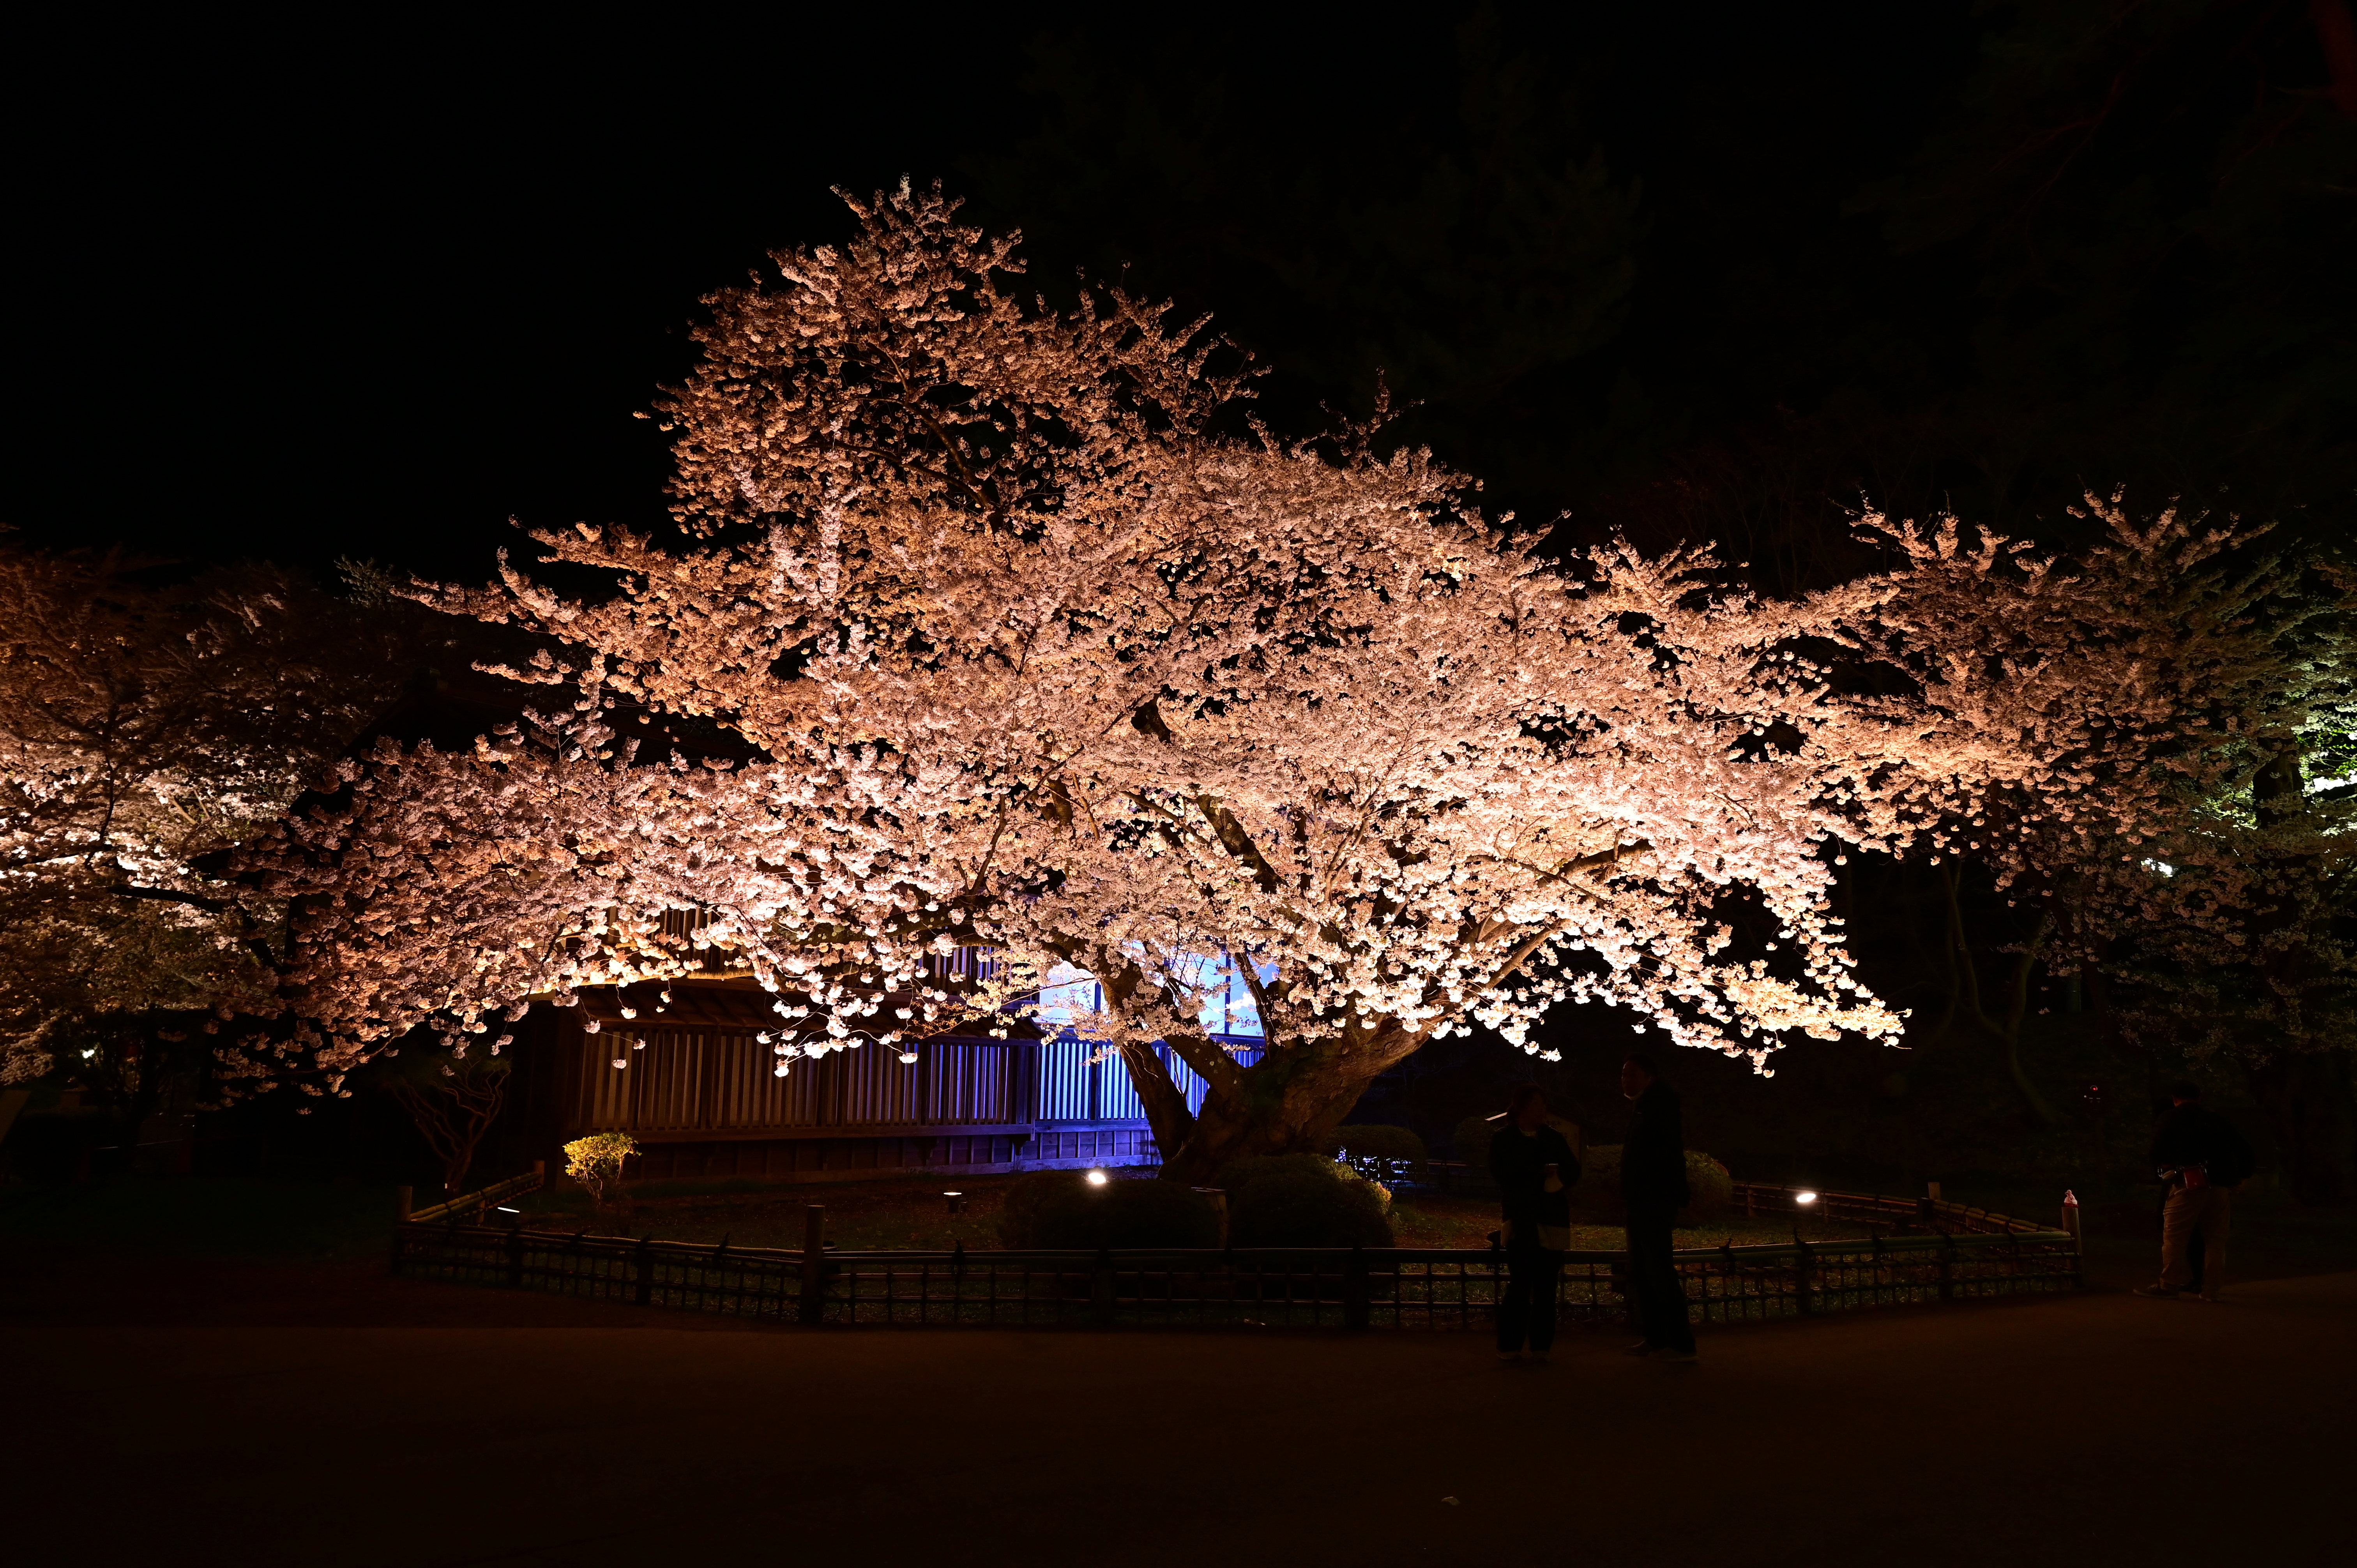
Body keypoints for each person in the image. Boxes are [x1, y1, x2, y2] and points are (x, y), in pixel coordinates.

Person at [2134, 1082, 2254, 1303]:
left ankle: (2168, 1284)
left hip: (2188, 1183)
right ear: (2200, 1097)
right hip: (2219, 1185)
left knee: (2175, 1237)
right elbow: (2244, 1149)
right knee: (2216, 1241)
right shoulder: (2216, 1120)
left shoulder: (2170, 1119)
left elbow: (2155, 1150)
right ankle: (2211, 1289)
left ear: (2175, 1098)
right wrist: (2241, 1177)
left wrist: (2165, 1167)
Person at [1490, 1084, 1578, 1362]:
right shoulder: (1504, 1138)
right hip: (1521, 1216)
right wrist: (1537, 1173)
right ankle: (1509, 1345)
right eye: (1535, 1104)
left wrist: (1558, 1177)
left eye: (1543, 1104)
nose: (1542, 1109)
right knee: (1520, 1283)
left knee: (1547, 1286)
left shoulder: (1553, 1138)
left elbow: (1574, 1170)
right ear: (1521, 1107)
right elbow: (1502, 1173)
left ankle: (1542, 1346)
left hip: (1552, 1215)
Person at [1619, 1050, 1696, 1361]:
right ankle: (1657, 1337)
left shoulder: (1659, 1108)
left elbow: (1663, 1157)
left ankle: (1681, 1343)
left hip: (1653, 1200)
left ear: (1649, 1077)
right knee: (1643, 1272)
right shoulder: (1647, 1106)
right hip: (1643, 1199)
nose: (1626, 1080)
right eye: (1624, 1074)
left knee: (1658, 1271)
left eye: (1632, 1074)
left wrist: (1649, 1190)